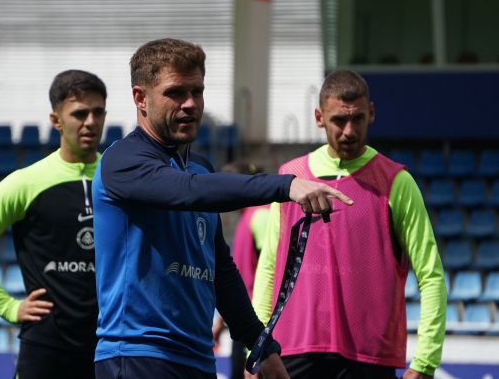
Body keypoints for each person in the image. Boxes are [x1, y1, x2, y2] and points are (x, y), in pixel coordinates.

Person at [91, 38, 353, 379]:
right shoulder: (121, 161)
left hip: (198, 358)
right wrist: (285, 185)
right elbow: (187, 191)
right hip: (138, 355)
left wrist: (261, 345)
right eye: (175, 93)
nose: (190, 104)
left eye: (197, 91)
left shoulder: (200, 168)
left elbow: (220, 273)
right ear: (140, 98)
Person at [252, 70, 447, 379]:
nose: (348, 131)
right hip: (293, 352)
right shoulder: (290, 178)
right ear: (318, 117)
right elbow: (269, 267)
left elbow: (431, 275)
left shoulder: (397, 182)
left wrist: (425, 362)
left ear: (371, 113)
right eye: (338, 121)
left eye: (357, 118)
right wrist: (256, 347)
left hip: (369, 358)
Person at [0, 69, 108, 379]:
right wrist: (9, 307)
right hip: (47, 347)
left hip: (110, 344)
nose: (90, 122)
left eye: (98, 112)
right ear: (56, 120)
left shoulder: (120, 178)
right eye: (79, 113)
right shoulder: (25, 182)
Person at [212, 160, 270, 379]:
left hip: (256, 329)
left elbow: (271, 276)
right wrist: (220, 321)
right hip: (244, 325)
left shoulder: (261, 217)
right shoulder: (248, 217)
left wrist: (260, 349)